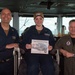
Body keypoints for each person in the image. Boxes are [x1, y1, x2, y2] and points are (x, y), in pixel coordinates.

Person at [0, 8, 19, 75]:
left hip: (10, 65)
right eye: (3, 14)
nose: (6, 16)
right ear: (0, 16)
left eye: (8, 14)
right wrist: (5, 46)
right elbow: (8, 46)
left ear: (11, 17)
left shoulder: (14, 31)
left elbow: (18, 43)